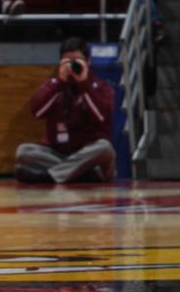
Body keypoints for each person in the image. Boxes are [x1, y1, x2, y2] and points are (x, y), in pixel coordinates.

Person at [15, 37, 118, 184]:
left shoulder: (101, 87)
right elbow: (36, 111)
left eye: (77, 61)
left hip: (88, 153)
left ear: (88, 62)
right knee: (23, 151)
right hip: (58, 153)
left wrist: (84, 84)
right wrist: (59, 82)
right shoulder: (55, 86)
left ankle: (51, 176)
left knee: (105, 148)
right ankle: (81, 174)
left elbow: (102, 117)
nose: (72, 66)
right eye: (67, 61)